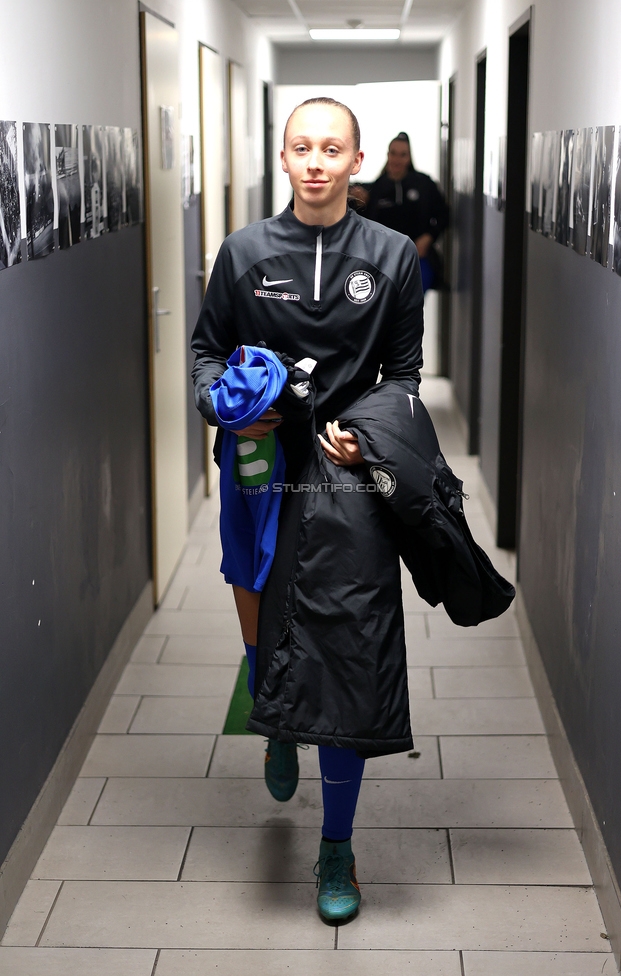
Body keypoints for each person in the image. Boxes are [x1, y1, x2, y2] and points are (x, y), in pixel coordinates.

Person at [191, 97, 423, 923]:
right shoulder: (245, 251)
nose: (317, 161)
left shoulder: (393, 256)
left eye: (333, 148)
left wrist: (370, 433)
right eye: (302, 147)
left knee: (346, 646)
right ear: (282, 159)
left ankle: (337, 846)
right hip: (260, 463)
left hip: (345, 470)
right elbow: (205, 348)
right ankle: (272, 710)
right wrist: (222, 404)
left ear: (357, 161)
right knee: (255, 593)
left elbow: (404, 373)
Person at [352, 131, 449, 291]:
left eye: (403, 155)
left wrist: (429, 237)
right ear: (388, 155)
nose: (397, 159)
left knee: (411, 305)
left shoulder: (424, 184)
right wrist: (361, 202)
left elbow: (444, 214)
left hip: (417, 258)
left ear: (409, 157)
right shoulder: (375, 190)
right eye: (393, 154)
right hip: (382, 261)